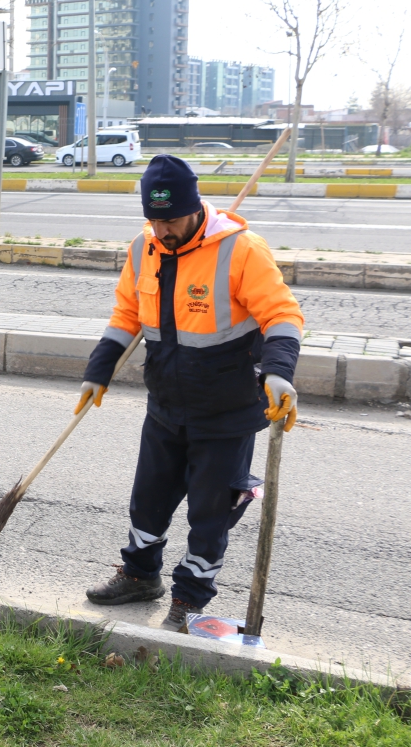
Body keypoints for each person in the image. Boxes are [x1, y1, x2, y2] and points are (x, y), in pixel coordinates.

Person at [77, 155, 303, 631]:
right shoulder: (145, 247)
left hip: (227, 412)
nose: (163, 231)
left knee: (210, 514)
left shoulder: (241, 249)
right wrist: (98, 371)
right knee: (148, 501)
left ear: (196, 207)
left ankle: (190, 598)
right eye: (154, 221)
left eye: (172, 220)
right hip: (165, 406)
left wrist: (279, 372)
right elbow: (126, 315)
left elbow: (282, 314)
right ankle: (140, 577)